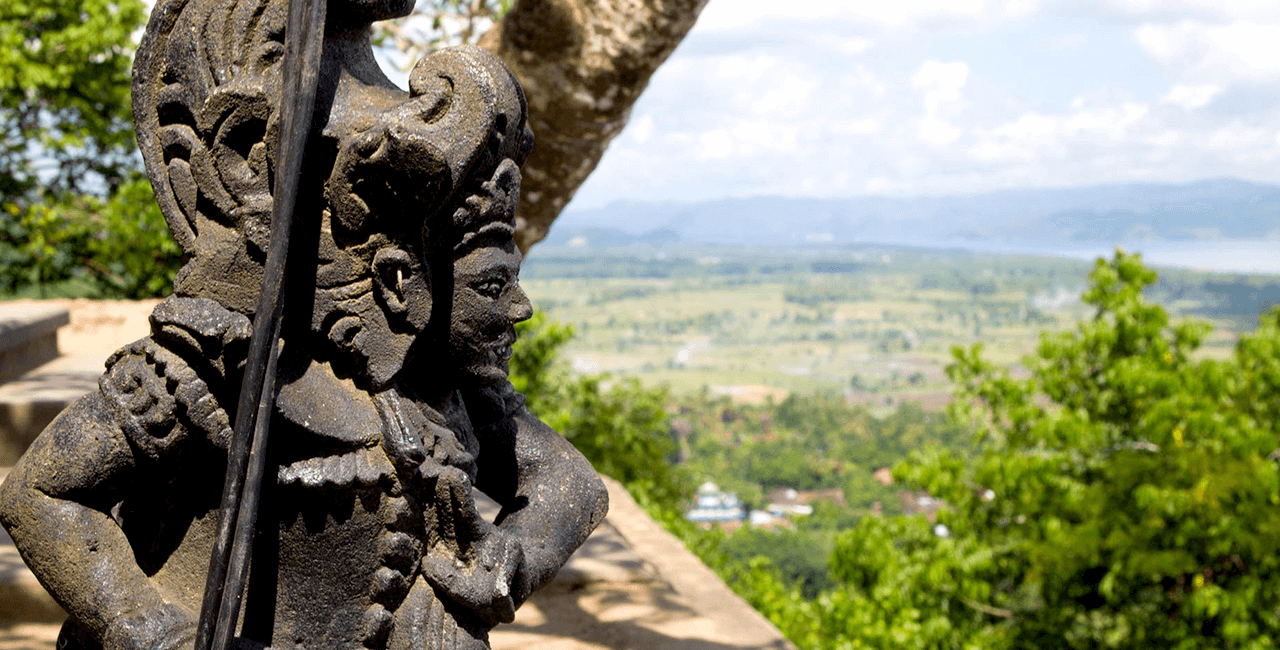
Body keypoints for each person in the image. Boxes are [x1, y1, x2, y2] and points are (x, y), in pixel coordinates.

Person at [0, 1, 607, 648]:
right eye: (493, 283)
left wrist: (507, 561)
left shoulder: (433, 378)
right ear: (400, 279)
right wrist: (153, 632)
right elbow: (42, 494)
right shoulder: (215, 363)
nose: (519, 308)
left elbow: (571, 485)